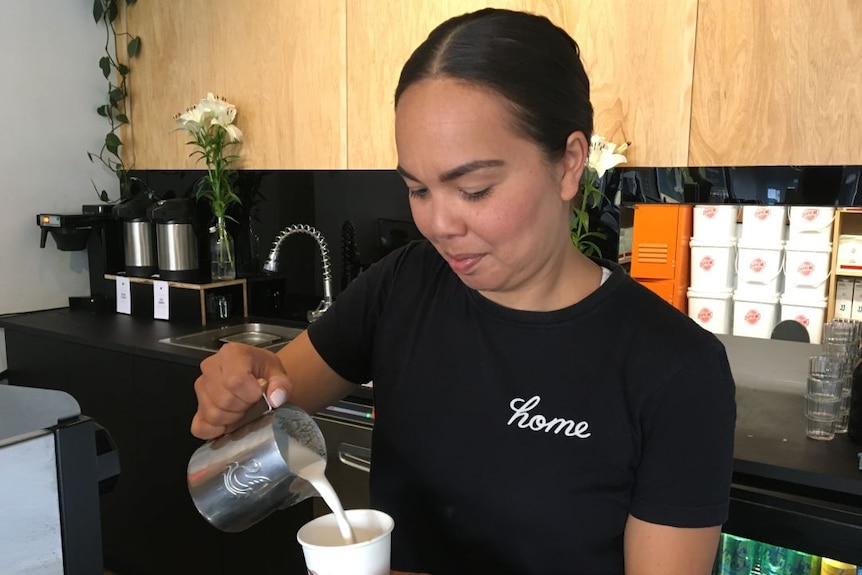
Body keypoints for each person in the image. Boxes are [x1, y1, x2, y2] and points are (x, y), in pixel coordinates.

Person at [191, 8, 736, 575]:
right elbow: (268, 406)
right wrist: (239, 390)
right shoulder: (403, 285)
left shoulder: (676, 371)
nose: (439, 225)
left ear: (570, 163)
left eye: (473, 189)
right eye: (417, 189)